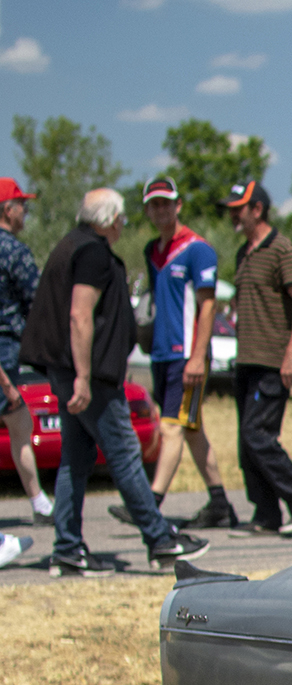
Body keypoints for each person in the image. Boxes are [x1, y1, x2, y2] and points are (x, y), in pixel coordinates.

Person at [19, 188, 207, 574]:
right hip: (89, 375)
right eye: (120, 218)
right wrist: (85, 378)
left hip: (72, 371)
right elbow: (79, 316)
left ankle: (68, 547)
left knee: (76, 456)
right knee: (123, 453)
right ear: (108, 220)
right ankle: (160, 540)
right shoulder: (92, 252)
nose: (123, 225)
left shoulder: (71, 245)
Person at [109, 177, 234, 529]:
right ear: (147, 210)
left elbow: (207, 307)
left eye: (166, 202)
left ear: (178, 205)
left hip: (187, 356)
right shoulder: (152, 251)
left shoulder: (198, 250)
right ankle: (220, 503)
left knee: (172, 426)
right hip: (161, 355)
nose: (161, 209)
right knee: (191, 430)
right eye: (154, 204)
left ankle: (149, 504)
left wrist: (197, 357)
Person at [219, 180, 292, 536]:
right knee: (246, 442)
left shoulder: (281, 250)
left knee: (257, 434)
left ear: (257, 209)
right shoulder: (244, 252)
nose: (233, 214)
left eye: (239, 208)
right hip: (246, 359)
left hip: (272, 361)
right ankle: (266, 515)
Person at [0, 175, 52, 528]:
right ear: (7, 209)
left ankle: (39, 501)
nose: (25, 212)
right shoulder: (13, 251)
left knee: (19, 422)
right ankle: (40, 502)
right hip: (4, 349)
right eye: (23, 206)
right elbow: (38, 300)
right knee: (17, 418)